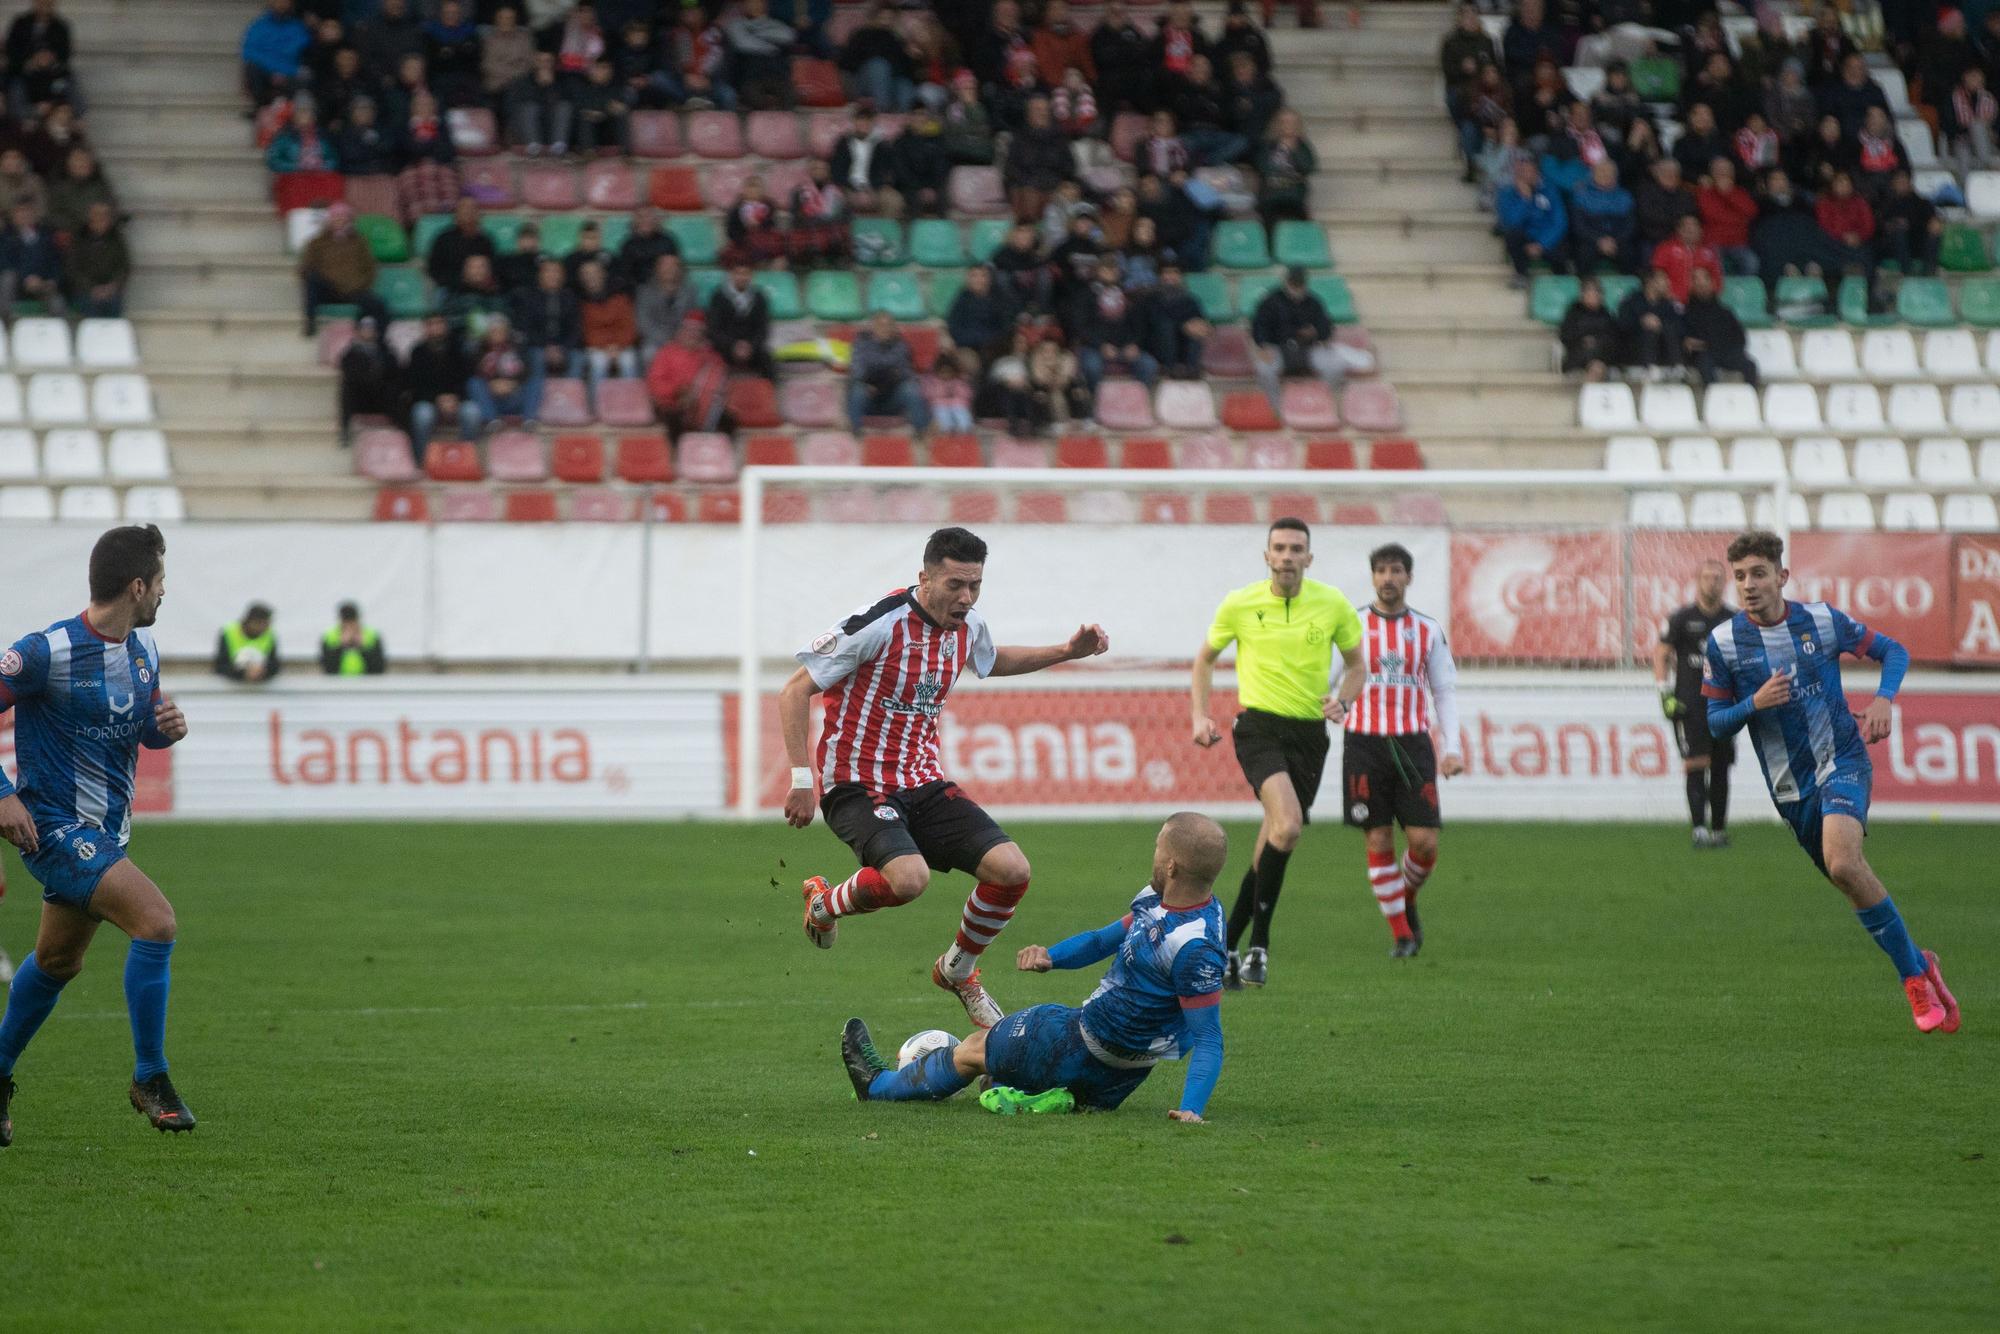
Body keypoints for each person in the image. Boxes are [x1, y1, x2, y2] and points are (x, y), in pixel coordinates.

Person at [785, 527, 1110, 1029]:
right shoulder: (879, 624)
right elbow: (793, 691)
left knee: (1012, 871)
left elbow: (992, 659)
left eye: (975, 585)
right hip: (857, 782)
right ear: (925, 578)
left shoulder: (968, 626)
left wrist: (1066, 651)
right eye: (955, 584)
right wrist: (802, 779)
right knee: (909, 879)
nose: (966, 597)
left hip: (923, 780)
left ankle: (957, 970)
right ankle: (825, 903)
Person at [1703, 531, 1960, 1035]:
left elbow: (1893, 651)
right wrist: (1753, 704)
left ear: (1782, 576)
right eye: (1740, 576)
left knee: (1843, 862)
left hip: (1842, 760)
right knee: (1850, 880)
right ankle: (1921, 963)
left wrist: (1884, 698)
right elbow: (1715, 724)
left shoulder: (1821, 621)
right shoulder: (1725, 643)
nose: (1748, 585)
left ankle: (1911, 979)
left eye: (1758, 573)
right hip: (1791, 790)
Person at [0, 524, 193, 1148]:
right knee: (156, 922)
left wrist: (165, 728)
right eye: (159, 582)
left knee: (59, 961)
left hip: (109, 831)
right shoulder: (47, 652)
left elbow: (141, 727)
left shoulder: (143, 649)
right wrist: (2, 795)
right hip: (55, 829)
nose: (163, 592)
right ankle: (150, 1076)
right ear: (137, 586)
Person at [841, 812, 1228, 1122]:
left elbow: (1209, 1037)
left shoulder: (1193, 947)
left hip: (1080, 1042)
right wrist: (1051, 957)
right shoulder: (1169, 905)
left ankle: (876, 1086)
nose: (1153, 856)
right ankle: (1033, 1092)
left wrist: (1191, 1109)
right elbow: (1101, 940)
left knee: (975, 1048)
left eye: (1158, 848)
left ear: (1172, 866)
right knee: (1008, 1062)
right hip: (1119, 1080)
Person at [1191, 518, 1366, 989]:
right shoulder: (1241, 603)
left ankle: (1227, 944)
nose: (1287, 556)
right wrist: (1200, 716)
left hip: (1310, 735)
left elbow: (1357, 666)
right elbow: (1205, 658)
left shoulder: (1332, 603)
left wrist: (1344, 700)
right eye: (1280, 548)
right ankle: (1260, 946)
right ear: (1266, 556)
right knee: (1287, 826)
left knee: (1277, 837)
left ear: (1309, 557)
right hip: (1259, 728)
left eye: (1296, 548)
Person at [1340, 543, 1463, 960]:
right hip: (1363, 743)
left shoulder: (1427, 629)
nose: (1388, 578)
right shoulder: (1352, 625)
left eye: (1395, 570)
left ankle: (1404, 897)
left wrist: (1452, 747)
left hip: (1412, 743)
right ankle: (1402, 935)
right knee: (1377, 835)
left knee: (1423, 842)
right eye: (1381, 571)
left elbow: (1444, 691)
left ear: (1409, 577)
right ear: (1372, 577)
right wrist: (1331, 704)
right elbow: (1329, 676)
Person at [1655, 558, 1735, 849]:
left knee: (1721, 767)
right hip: (1690, 705)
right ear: (1697, 581)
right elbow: (1661, 654)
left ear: (1724, 583)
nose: (1712, 582)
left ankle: (1719, 830)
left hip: (1724, 705)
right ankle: (1699, 828)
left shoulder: (1734, 620)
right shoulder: (1681, 618)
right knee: (1696, 764)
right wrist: (1664, 693)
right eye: (1707, 577)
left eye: (1717, 577)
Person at [1248, 265, 1349, 409]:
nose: (1296, 288)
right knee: (1264, 369)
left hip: (1308, 349)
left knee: (1335, 366)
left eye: (1299, 285)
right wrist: (1263, 345)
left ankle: (1319, 404)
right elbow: (1259, 326)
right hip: (1278, 349)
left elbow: (1326, 327)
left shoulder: (1313, 302)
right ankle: (1276, 409)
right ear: (1286, 282)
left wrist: (1316, 332)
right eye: (1293, 284)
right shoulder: (1271, 301)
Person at [645, 311, 728, 439]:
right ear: (681, 331)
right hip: (672, 405)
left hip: (702, 408)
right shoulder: (666, 353)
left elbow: (720, 381)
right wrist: (679, 390)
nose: (692, 335)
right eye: (689, 330)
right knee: (674, 420)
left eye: (697, 331)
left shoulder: (711, 356)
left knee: (727, 420)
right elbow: (655, 384)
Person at [846, 309, 929, 432]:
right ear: (873, 327)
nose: (885, 329)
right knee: (858, 389)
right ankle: (855, 433)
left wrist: (882, 382)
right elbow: (858, 370)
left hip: (892, 395)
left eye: (888, 325)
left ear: (893, 327)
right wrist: (875, 379)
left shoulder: (901, 345)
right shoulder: (861, 343)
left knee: (911, 389)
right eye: (880, 325)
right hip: (868, 395)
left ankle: (922, 432)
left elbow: (905, 372)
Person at [1680, 266, 1758, 387]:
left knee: (1750, 365)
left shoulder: (1724, 312)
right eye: (1697, 281)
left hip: (1726, 353)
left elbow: (1739, 338)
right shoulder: (1686, 313)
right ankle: (1712, 396)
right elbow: (1687, 342)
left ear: (1711, 283)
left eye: (1704, 280)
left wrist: (1705, 343)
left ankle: (1751, 396)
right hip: (1703, 356)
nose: (1701, 284)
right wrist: (1704, 344)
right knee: (1704, 363)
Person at [1496, 157, 1568, 286]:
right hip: (1525, 237)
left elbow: (1559, 222)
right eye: (1523, 172)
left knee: (1561, 247)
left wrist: (1541, 244)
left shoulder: (1550, 191)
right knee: (1512, 236)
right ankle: (1521, 275)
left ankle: (1562, 281)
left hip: (1547, 237)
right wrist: (1525, 199)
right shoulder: (1506, 193)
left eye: (1531, 171)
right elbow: (1511, 222)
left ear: (1537, 173)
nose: (1527, 175)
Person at [707, 263, 775, 380]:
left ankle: (769, 389)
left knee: (767, 359)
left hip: (751, 345)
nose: (742, 277)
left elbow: (763, 327)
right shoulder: (719, 296)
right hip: (726, 345)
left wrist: (751, 345)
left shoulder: (759, 297)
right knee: (713, 361)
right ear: (731, 275)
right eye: (738, 273)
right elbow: (714, 329)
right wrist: (733, 345)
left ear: (751, 276)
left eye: (746, 274)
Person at [336, 315, 401, 438]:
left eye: (371, 328)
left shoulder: (386, 352)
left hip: (380, 397)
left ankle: (399, 428)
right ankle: (345, 430)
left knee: (394, 388)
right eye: (364, 328)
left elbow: (393, 372)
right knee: (347, 388)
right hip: (361, 399)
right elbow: (351, 375)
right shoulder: (350, 354)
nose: (368, 331)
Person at [62, 200, 129, 318]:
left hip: (110, 289)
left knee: (113, 304)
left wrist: (112, 286)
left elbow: (124, 266)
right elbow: (73, 269)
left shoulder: (116, 239)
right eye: (97, 216)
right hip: (85, 290)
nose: (101, 220)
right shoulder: (79, 239)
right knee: (91, 306)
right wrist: (91, 288)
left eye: (105, 216)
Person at [0, 200, 64, 319]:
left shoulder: (46, 236)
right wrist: (26, 278)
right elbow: (5, 262)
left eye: (27, 212)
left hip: (41, 282)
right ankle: (5, 321)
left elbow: (55, 261)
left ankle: (57, 326)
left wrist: (52, 279)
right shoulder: (6, 237)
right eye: (20, 212)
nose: (24, 216)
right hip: (18, 283)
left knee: (57, 302)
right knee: (7, 278)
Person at [242, 0, 310, 106]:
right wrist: (274, 71)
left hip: (290, 73)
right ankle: (261, 106)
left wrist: (283, 72)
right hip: (265, 72)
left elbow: (301, 52)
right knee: (252, 69)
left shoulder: (298, 27)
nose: (281, 4)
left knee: (305, 76)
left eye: (285, 1)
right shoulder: (258, 26)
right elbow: (249, 52)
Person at [215, 602, 279, 682]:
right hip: (232, 683)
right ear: (249, 621)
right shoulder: (229, 633)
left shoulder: (269, 635)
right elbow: (220, 666)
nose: (264, 628)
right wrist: (243, 673)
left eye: (267, 624)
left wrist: (263, 671)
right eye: (260, 623)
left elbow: (274, 666)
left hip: (261, 684)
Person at [319, 601, 385, 676]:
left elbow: (379, 667)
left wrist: (362, 647)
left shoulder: (372, 635)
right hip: (337, 681)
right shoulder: (329, 636)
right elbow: (327, 666)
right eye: (346, 622)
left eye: (352, 622)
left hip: (366, 681)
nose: (349, 626)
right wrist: (341, 646)